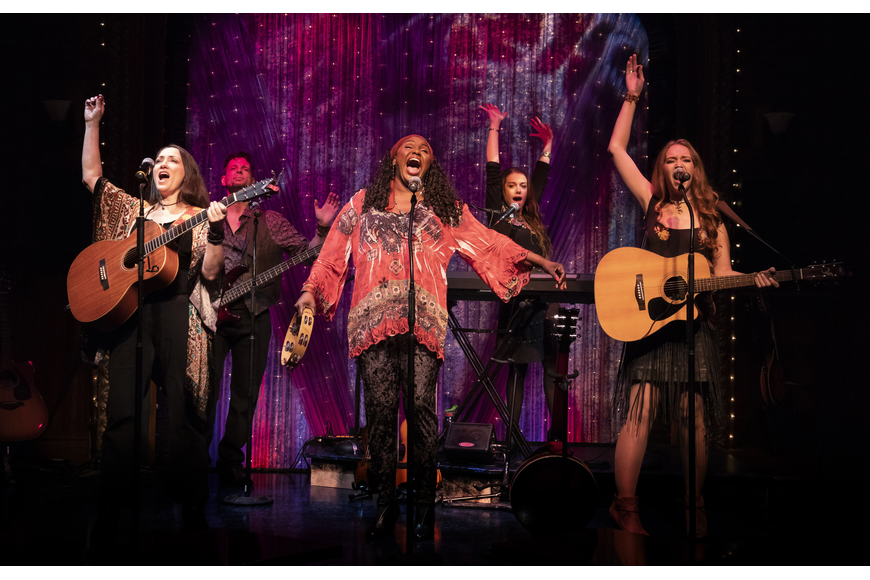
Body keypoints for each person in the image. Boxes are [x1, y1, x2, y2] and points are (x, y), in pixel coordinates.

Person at [294, 134, 567, 541]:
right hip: (373, 323)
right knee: (382, 418)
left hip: (423, 321)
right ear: (393, 158)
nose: (417, 151)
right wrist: (307, 294)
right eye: (409, 146)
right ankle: (385, 505)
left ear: (430, 163)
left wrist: (540, 259)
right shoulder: (362, 203)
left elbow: (488, 243)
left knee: (421, 413)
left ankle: (423, 506)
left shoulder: (443, 209)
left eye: (425, 148)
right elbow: (332, 255)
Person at [607, 56, 778, 537]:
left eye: (686, 160)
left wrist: (752, 280)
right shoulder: (652, 202)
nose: (678, 165)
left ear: (696, 169)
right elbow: (616, 148)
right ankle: (626, 507)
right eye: (670, 159)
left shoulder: (713, 219)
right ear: (662, 169)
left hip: (693, 328)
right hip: (650, 323)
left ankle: (694, 507)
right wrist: (632, 96)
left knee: (693, 415)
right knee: (640, 408)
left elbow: (721, 274)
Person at [81, 95, 228, 535]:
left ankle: (191, 504)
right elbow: (93, 178)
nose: (163, 164)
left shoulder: (199, 216)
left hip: (179, 314)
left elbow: (211, 271)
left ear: (186, 175)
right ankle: (112, 505)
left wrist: (216, 229)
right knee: (122, 411)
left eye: (173, 160)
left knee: (185, 410)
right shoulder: (133, 211)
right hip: (131, 314)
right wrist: (93, 123)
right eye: (159, 159)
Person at [210, 152, 339, 486]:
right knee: (203, 391)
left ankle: (229, 461)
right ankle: (193, 458)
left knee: (244, 395)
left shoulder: (272, 221)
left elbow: (308, 254)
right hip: (209, 316)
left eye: (245, 169)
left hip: (253, 317)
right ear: (224, 180)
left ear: (254, 181)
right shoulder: (210, 217)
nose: (239, 172)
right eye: (232, 168)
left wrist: (323, 227)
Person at [479, 104, 561, 440]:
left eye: (523, 185)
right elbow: (492, 170)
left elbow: (541, 178)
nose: (519, 189)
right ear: (503, 191)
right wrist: (494, 127)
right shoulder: (500, 215)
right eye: (513, 185)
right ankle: (510, 441)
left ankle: (558, 440)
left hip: (545, 300)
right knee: (517, 371)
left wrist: (548, 147)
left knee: (554, 369)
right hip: (515, 302)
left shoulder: (533, 215)